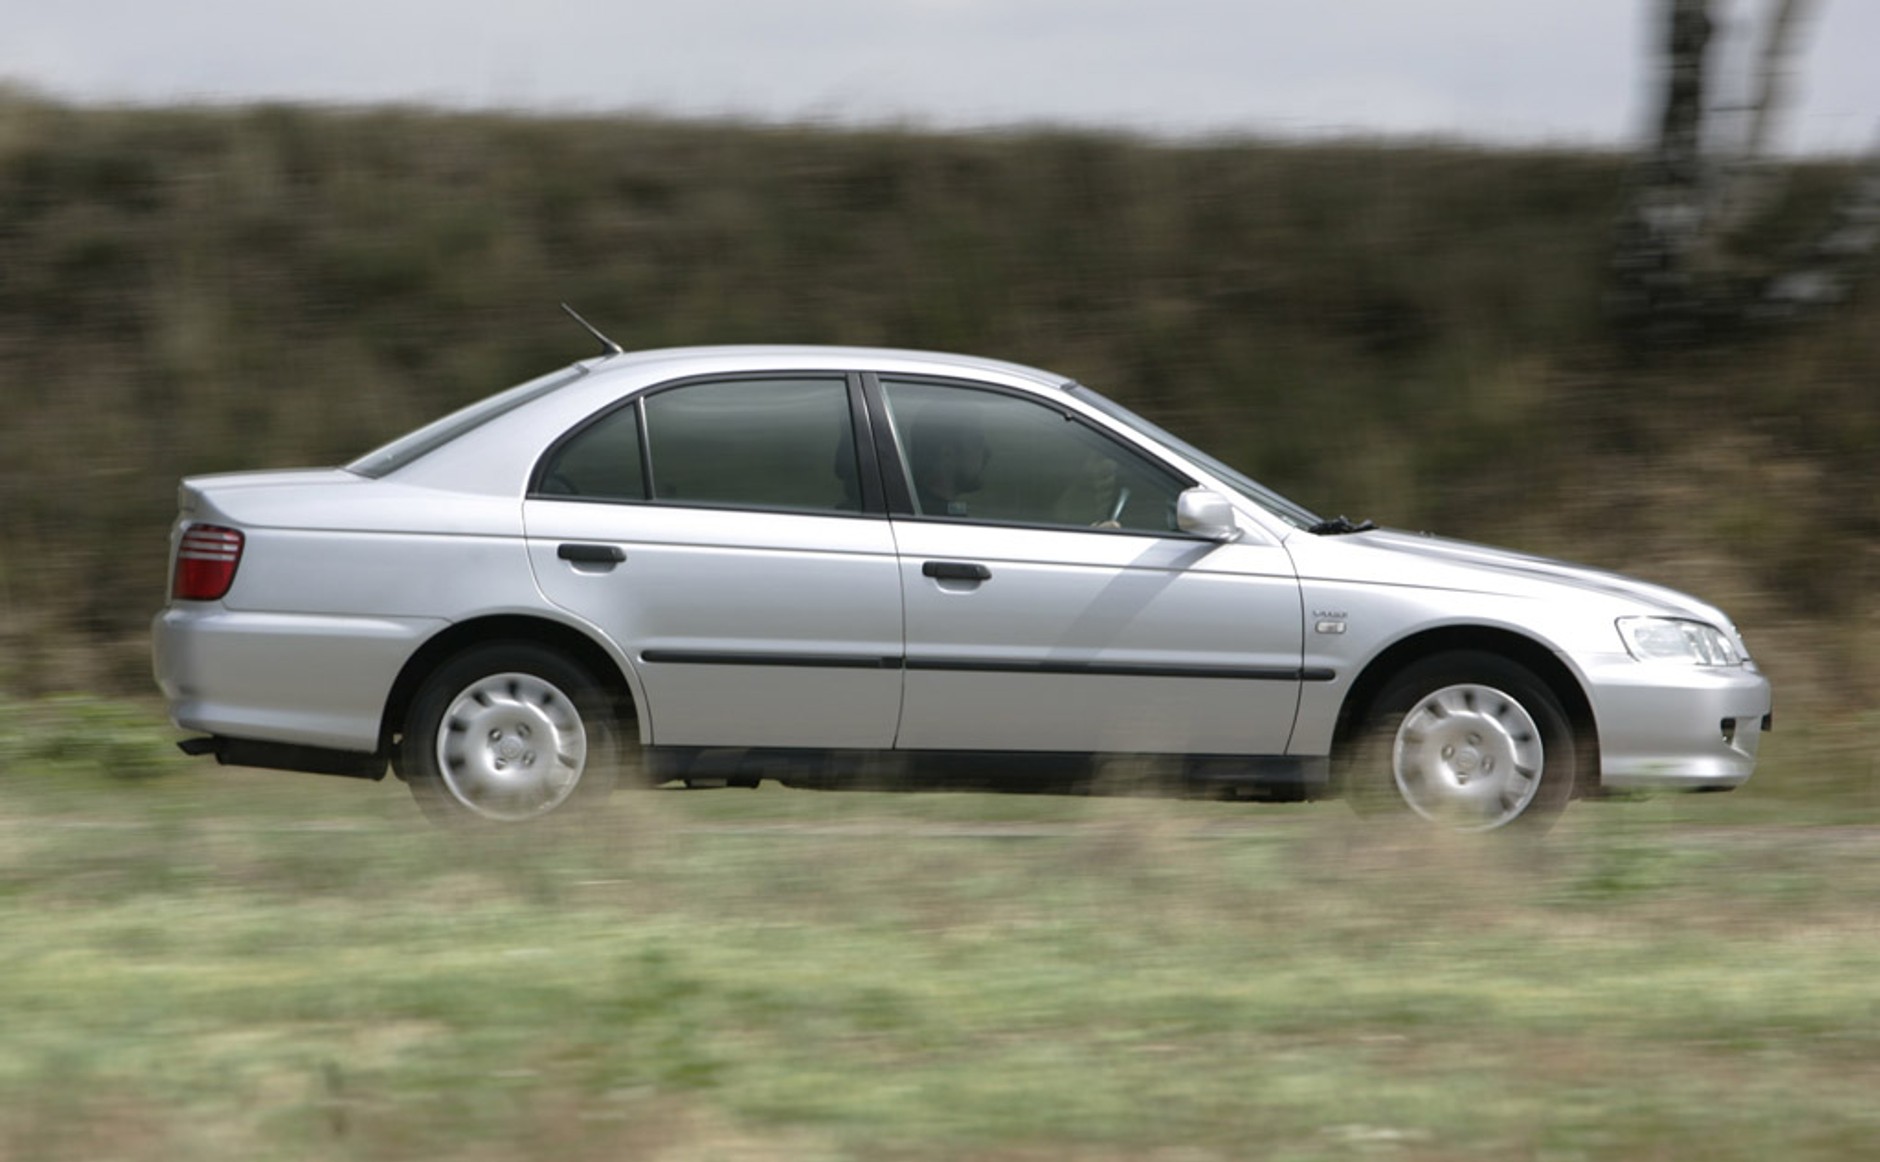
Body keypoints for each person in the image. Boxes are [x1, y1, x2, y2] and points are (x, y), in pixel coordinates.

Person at [907, 402, 991, 517]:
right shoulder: (937, 523)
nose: (987, 453)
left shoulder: (915, 511)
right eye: (977, 442)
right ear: (947, 453)